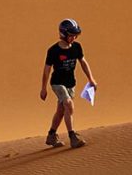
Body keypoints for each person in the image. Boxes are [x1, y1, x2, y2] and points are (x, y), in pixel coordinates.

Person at [39, 18, 98, 148]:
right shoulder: (53, 50)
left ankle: (51, 135)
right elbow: (47, 69)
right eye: (71, 35)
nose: (74, 38)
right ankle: (73, 136)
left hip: (70, 83)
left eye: (75, 35)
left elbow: (83, 62)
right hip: (57, 83)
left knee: (61, 110)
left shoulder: (77, 47)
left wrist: (91, 79)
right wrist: (43, 88)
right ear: (63, 34)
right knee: (68, 104)